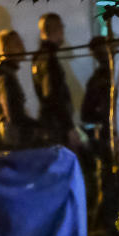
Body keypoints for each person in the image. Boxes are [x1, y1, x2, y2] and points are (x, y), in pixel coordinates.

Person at [81, 35, 117, 236]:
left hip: (116, 136)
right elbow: (86, 113)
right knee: (109, 184)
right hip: (107, 138)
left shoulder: (113, 73)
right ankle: (105, 230)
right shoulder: (98, 80)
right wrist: (105, 116)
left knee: (111, 184)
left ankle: (106, 228)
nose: (104, 53)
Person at [32, 13, 78, 149]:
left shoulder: (39, 57)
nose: (63, 31)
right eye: (61, 27)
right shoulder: (49, 59)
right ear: (56, 29)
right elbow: (53, 95)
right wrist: (68, 127)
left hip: (51, 125)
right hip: (56, 128)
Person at [0, 29, 35, 149]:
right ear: (6, 48)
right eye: (17, 44)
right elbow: (12, 113)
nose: (22, 47)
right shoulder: (4, 77)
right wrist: (37, 125)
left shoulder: (6, 74)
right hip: (15, 139)